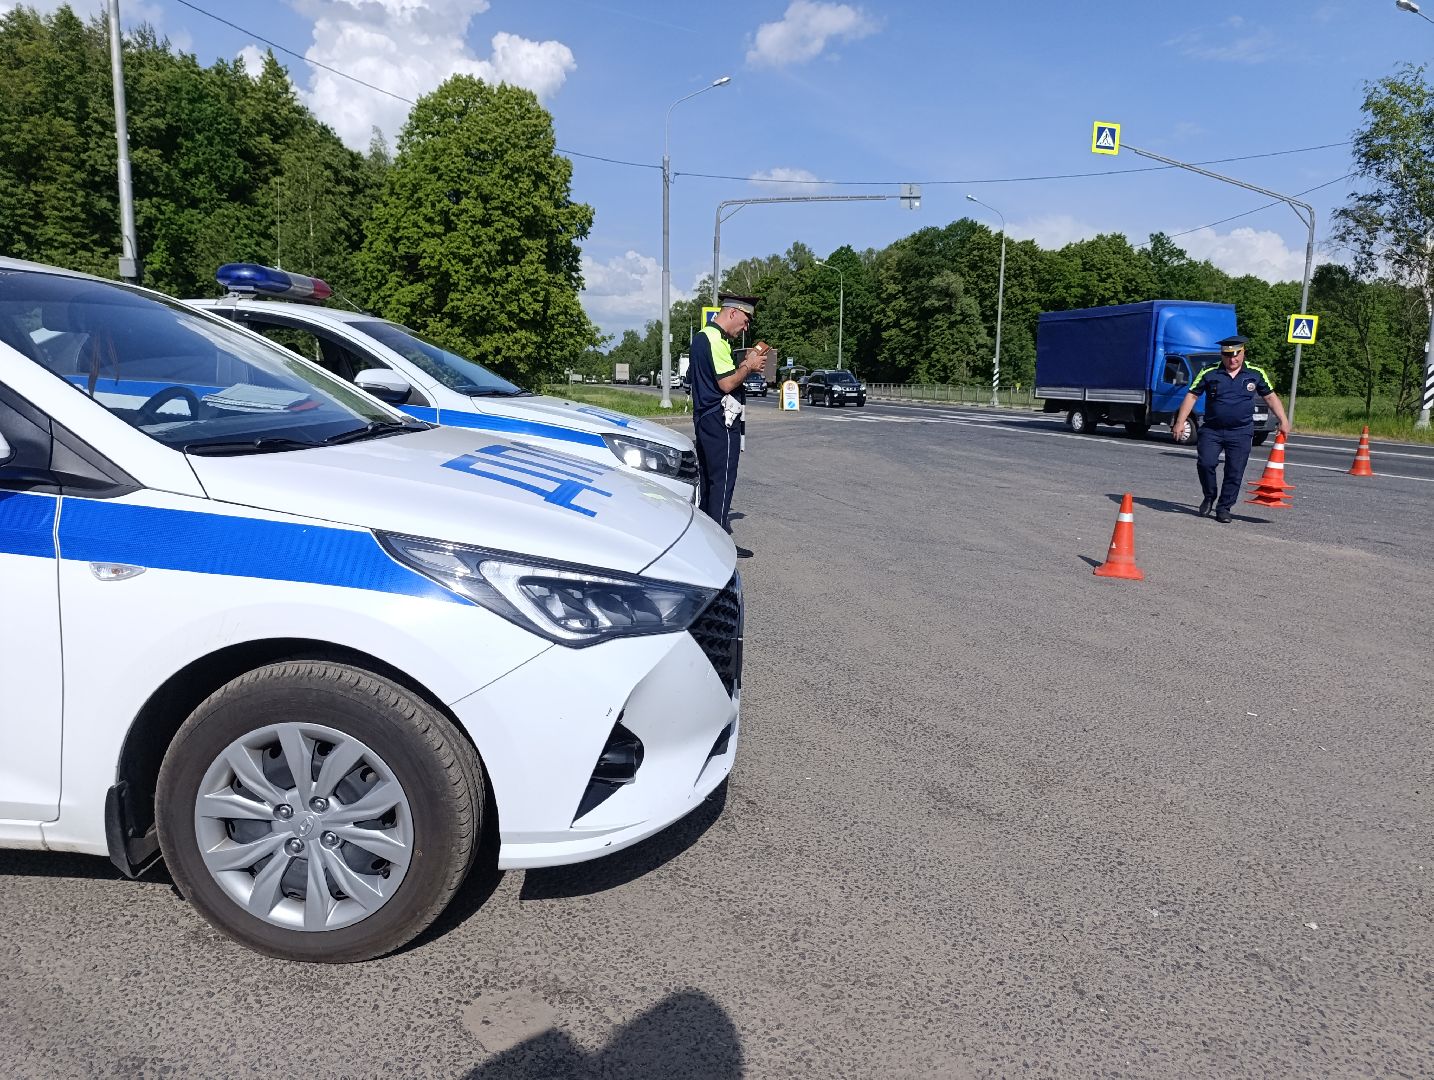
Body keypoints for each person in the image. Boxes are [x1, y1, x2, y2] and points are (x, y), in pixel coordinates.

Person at [1171, 334, 1291, 523]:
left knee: (1235, 471)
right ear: (1222, 355)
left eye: (1236, 355)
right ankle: (1210, 495)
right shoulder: (1209, 372)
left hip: (1241, 431)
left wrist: (1283, 420)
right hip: (1212, 430)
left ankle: (1224, 507)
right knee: (1206, 464)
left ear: (1243, 353)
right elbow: (1192, 395)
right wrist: (1180, 421)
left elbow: (1270, 397)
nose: (1232, 359)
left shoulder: (1255, 373)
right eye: (1227, 356)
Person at [689, 294, 768, 556]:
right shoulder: (715, 340)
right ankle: (719, 545)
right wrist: (749, 366)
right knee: (722, 480)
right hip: (720, 420)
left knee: (710, 481)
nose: (745, 328)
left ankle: (705, 538)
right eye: (745, 321)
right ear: (732, 313)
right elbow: (726, 384)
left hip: (705, 418)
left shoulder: (703, 338)